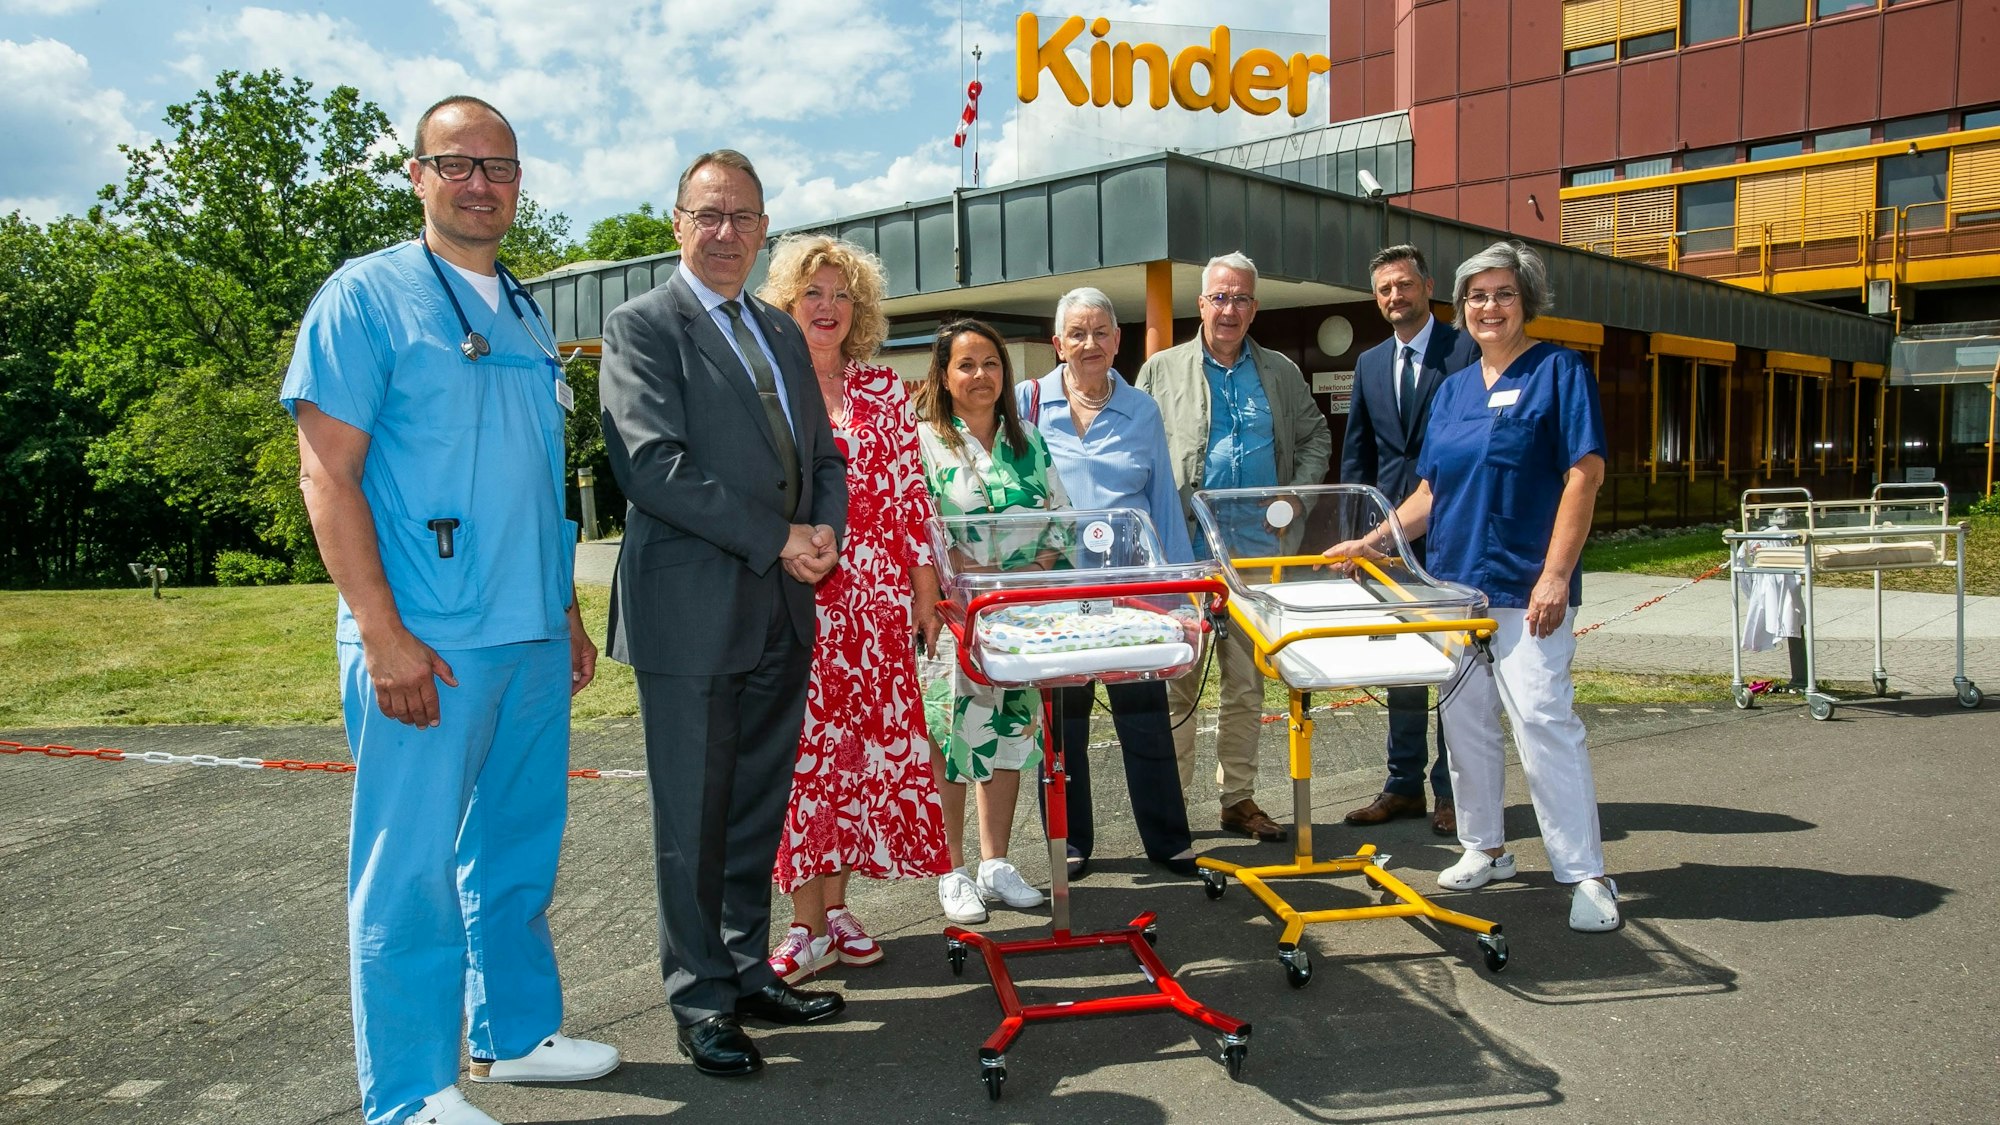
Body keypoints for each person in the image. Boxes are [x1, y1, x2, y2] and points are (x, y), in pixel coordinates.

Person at [283, 94, 617, 1125]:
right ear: (418, 175)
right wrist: (383, 635)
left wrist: (564, 610)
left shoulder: (521, 307)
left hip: (527, 631)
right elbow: (326, 474)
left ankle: (512, 1034)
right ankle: (409, 1091)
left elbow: (536, 479)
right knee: (409, 870)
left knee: (517, 845)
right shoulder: (365, 297)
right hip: (426, 639)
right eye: (457, 163)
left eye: (499, 167)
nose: (480, 183)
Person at [598, 149, 850, 1079]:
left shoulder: (779, 330)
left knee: (753, 807)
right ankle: (700, 998)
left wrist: (824, 530)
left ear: (763, 229)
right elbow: (651, 466)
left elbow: (823, 455)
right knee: (693, 821)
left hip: (782, 606)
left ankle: (746, 971)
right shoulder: (640, 327)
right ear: (678, 223)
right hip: (691, 615)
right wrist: (779, 537)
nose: (725, 232)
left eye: (743, 216)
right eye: (708, 214)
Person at [1322, 240, 1620, 933]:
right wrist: (1373, 541)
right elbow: (1431, 491)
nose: (1490, 307)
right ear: (1462, 306)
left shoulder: (1560, 372)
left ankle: (1585, 873)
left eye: (1504, 293)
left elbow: (1584, 475)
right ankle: (1484, 846)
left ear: (1527, 301)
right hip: (1454, 587)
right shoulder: (1455, 390)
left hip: (1526, 587)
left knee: (1543, 721)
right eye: (1478, 296)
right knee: (1464, 724)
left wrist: (1555, 574)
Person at [754, 235, 951, 981]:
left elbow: (911, 497)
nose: (828, 307)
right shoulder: (769, 385)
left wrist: (924, 590)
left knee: (859, 760)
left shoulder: (883, 389)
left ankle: (837, 909)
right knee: (804, 761)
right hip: (797, 597)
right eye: (813, 293)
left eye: (842, 295)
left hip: (874, 608)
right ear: (787, 303)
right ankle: (803, 923)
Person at [1135, 252, 1332, 844]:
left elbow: (1316, 437)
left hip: (1258, 558)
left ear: (1254, 307)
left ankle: (1238, 799)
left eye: (1241, 298)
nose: (1229, 309)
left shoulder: (1280, 372)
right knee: (1178, 682)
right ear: (1201, 304)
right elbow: (1137, 452)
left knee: (1246, 685)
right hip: (1185, 556)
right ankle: (1172, 809)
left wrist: (1297, 497)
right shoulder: (1161, 370)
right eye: (1219, 297)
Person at [1016, 287, 1199, 879]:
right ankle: (1068, 842)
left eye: (1100, 333)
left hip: (1132, 589)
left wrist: (1181, 596)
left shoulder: (1142, 409)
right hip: (1057, 593)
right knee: (1062, 724)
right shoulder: (1027, 402)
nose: (1089, 344)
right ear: (1058, 343)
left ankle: (1168, 840)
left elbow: (1162, 501)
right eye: (1077, 333)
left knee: (1144, 712)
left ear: (1118, 340)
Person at [914, 318, 1068, 925]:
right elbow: (917, 531)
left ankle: (995, 862)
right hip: (954, 619)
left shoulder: (1029, 441)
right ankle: (950, 869)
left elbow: (1060, 519)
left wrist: (1031, 573)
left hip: (1020, 618)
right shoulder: (921, 443)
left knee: (1010, 731)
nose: (981, 375)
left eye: (991, 364)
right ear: (943, 376)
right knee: (953, 738)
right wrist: (965, 572)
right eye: (966, 365)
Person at [1339, 245, 1480, 838]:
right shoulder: (1370, 363)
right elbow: (1359, 452)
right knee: (1400, 662)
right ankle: (1402, 786)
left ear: (1427, 286)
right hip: (1386, 539)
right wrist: (1355, 533)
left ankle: (1451, 790)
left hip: (1451, 530)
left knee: (1451, 663)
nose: (1394, 297)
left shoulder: (1466, 349)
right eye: (1384, 290)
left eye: (1404, 285)